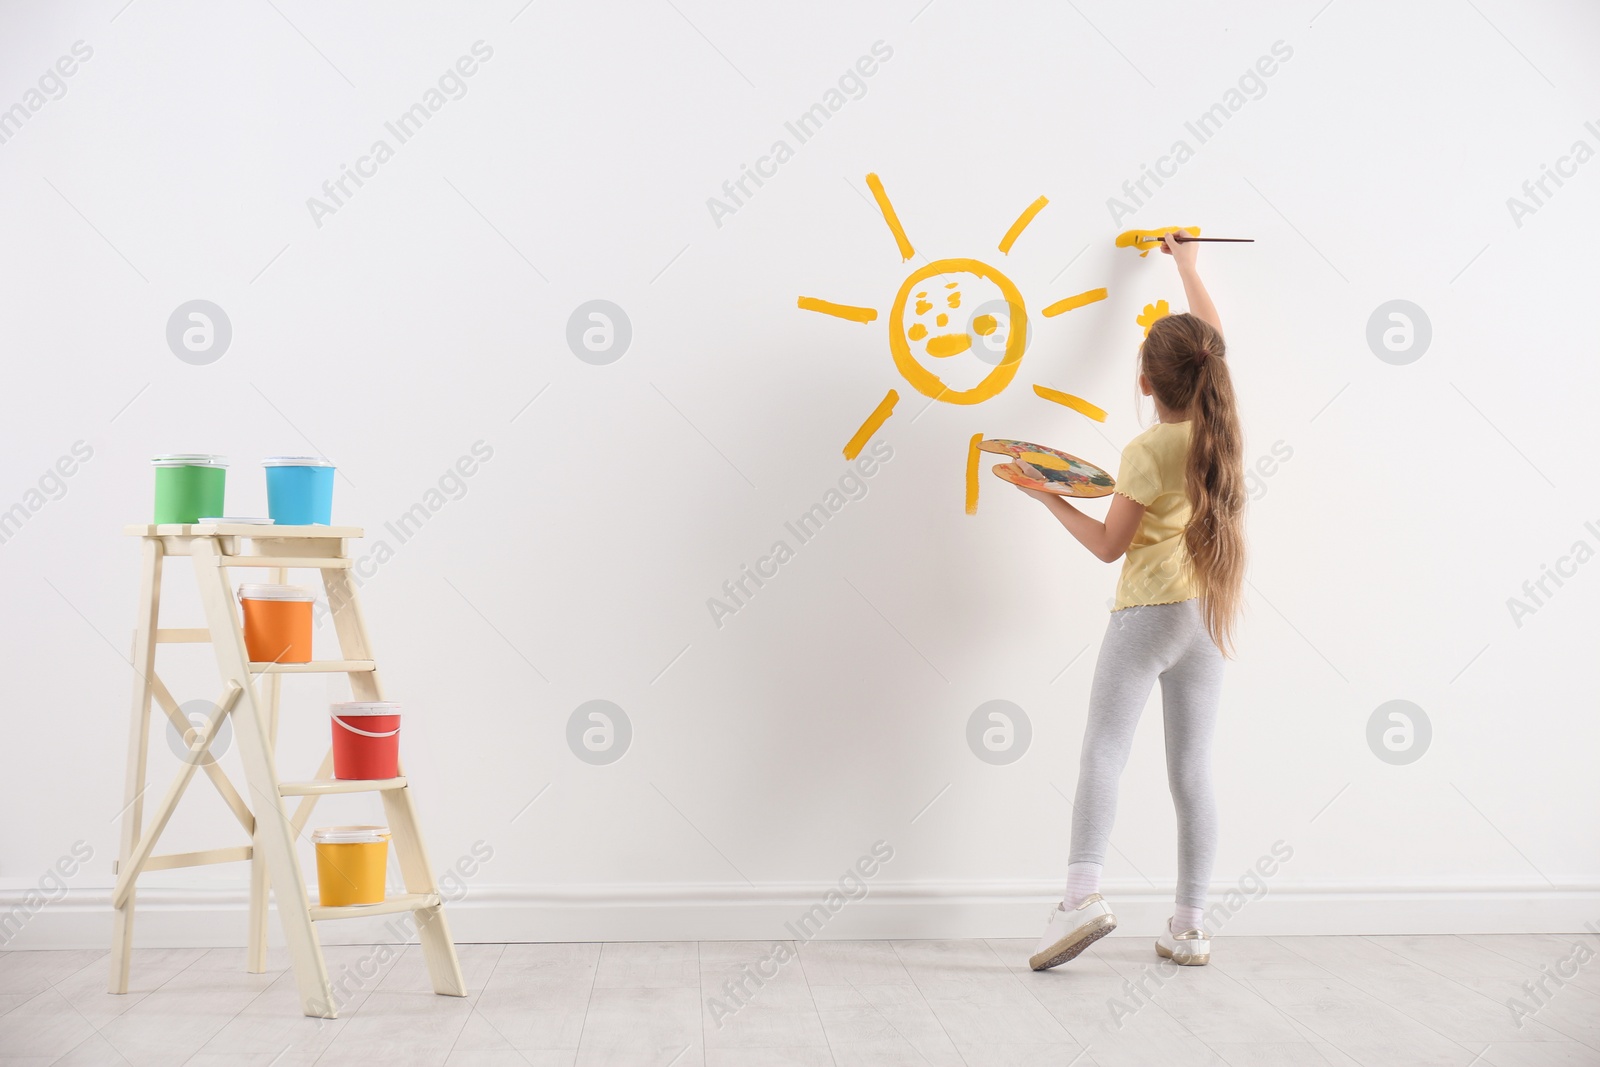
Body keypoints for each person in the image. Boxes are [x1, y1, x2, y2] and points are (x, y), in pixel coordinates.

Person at [1018, 232, 1245, 970]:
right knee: (1194, 770)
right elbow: (1212, 342)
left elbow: (1109, 546)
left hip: (1146, 614)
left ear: (1146, 382)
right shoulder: (1222, 429)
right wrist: (1188, 267)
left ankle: (1081, 898)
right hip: (1204, 618)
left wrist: (1046, 493)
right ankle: (1191, 924)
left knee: (1104, 751)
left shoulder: (1146, 452)